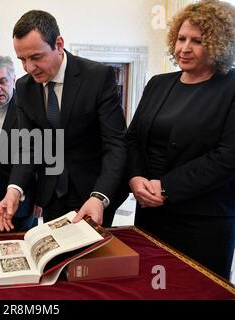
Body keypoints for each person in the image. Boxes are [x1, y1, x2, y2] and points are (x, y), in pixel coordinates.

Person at [126, 0, 235, 280]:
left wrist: (166, 188)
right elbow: (134, 139)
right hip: (150, 214)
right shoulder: (159, 83)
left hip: (203, 222)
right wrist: (135, 178)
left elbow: (227, 156)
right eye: (181, 38)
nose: (184, 48)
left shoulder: (230, 87)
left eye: (197, 41)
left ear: (218, 44)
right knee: (151, 287)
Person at [0, 10, 128, 231]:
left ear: (58, 44)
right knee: (57, 260)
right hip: (51, 195)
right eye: (22, 60)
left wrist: (99, 196)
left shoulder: (97, 77)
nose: (28, 68)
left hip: (93, 193)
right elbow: (29, 145)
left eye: (36, 57)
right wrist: (14, 189)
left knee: (89, 264)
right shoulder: (24, 87)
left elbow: (116, 143)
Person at [0, 55, 39, 233]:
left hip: (22, 198)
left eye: (2, 81)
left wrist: (41, 198)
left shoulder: (30, 105)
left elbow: (41, 153)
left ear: (13, 79)